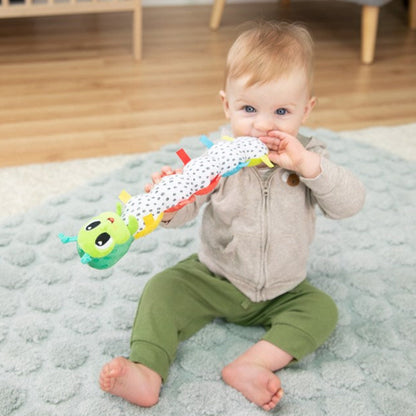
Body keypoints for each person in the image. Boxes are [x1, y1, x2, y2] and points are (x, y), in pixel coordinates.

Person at [99, 21, 365, 411]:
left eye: (282, 111)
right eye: (248, 109)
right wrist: (169, 203)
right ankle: (146, 370)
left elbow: (349, 204)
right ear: (226, 105)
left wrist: (308, 165)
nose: (263, 124)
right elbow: (185, 211)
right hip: (215, 276)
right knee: (162, 288)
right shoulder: (216, 161)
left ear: (306, 109)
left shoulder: (312, 159)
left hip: (284, 289)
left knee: (323, 310)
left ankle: (251, 364)